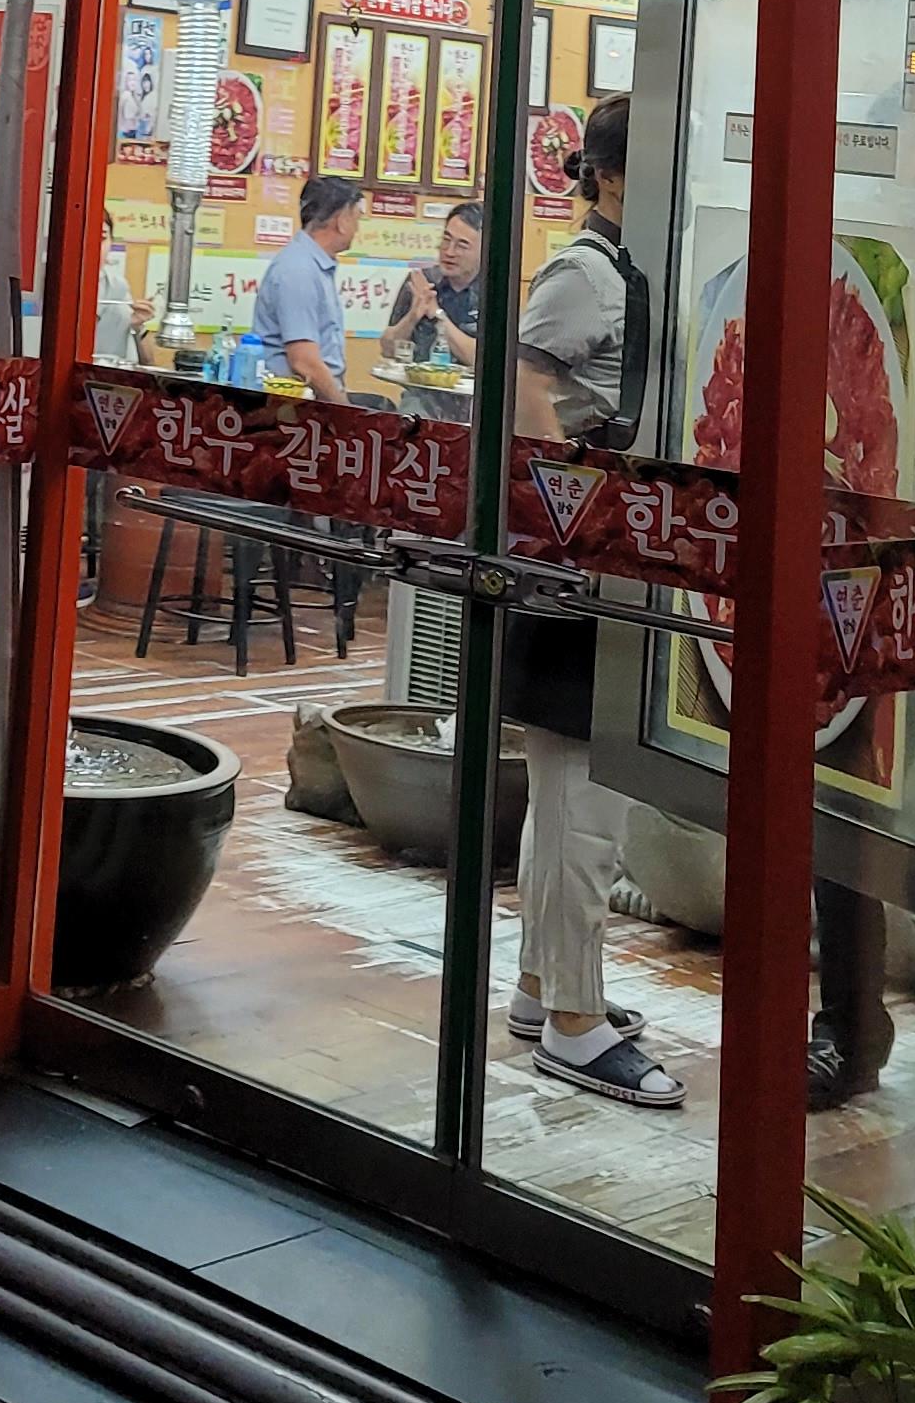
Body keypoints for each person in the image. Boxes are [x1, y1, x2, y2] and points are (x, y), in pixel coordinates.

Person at [506, 95, 680, 1110]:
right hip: (580, 562)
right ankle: (575, 1026)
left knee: (564, 798)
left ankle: (543, 988)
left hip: (601, 556)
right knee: (584, 806)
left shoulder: (636, 270)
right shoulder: (587, 271)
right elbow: (525, 384)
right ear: (608, 175)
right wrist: (570, 512)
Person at [247, 174, 362, 406]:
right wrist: (346, 413)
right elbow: (304, 362)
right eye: (356, 218)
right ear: (341, 220)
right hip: (293, 406)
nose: (358, 229)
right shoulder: (298, 270)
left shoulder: (313, 265)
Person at [385, 200, 485, 415]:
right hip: (421, 399)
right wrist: (413, 315)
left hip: (475, 405)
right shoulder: (423, 282)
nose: (449, 252)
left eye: (462, 245)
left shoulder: (494, 294)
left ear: (484, 251)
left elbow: (482, 360)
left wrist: (437, 314)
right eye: (446, 240)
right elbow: (388, 348)